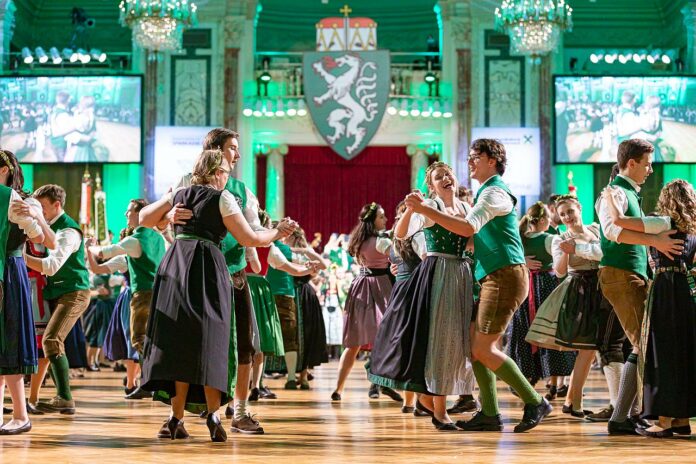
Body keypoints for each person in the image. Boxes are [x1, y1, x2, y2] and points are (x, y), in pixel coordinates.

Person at [140, 128, 292, 434]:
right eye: (232, 148)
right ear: (215, 153)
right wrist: (170, 218)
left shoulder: (241, 190)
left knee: (243, 345)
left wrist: (268, 239)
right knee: (193, 342)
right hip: (196, 271)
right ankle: (198, 415)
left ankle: (238, 411)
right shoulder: (193, 184)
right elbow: (149, 216)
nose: (236, 154)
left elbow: (250, 232)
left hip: (230, 273)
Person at [405, 139, 551, 433]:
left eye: (475, 157)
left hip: (504, 275)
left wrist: (426, 210)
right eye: (470, 157)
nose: (469, 162)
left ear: (493, 161)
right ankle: (490, 413)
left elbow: (469, 228)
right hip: (493, 275)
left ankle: (534, 401)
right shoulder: (485, 193)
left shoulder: (495, 193)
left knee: (483, 348)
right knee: (476, 347)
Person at [370, 162, 475, 431]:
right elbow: (401, 233)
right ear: (431, 186)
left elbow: (472, 240)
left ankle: (431, 400)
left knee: (457, 340)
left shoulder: (465, 208)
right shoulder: (430, 207)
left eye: (448, 174)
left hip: (462, 271)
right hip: (439, 272)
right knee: (441, 339)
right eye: (439, 177)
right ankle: (440, 413)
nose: (446, 178)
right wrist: (410, 209)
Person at [595, 138, 683, 435]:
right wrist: (655, 241)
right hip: (619, 275)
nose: (649, 170)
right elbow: (612, 231)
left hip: (631, 274)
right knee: (645, 343)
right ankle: (639, 416)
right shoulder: (613, 192)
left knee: (644, 342)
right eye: (646, 164)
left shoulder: (628, 193)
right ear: (630, 163)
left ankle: (625, 415)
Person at [604, 179, 696, 438]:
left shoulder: (663, 222)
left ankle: (664, 421)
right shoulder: (693, 229)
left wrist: (611, 198)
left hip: (666, 290)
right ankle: (681, 419)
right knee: (682, 352)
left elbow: (620, 221)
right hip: (686, 293)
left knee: (662, 353)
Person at [22, 184, 91, 415]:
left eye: (42, 207)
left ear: (56, 205)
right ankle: (53, 397)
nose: (39, 211)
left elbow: (51, 267)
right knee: (48, 342)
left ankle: (64, 397)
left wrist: (19, 257)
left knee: (51, 340)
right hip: (57, 293)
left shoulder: (68, 231)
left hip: (74, 293)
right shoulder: (49, 227)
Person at [89, 199, 165, 400]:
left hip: (142, 295)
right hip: (160, 293)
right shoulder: (158, 239)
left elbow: (105, 253)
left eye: (129, 211)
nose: (126, 214)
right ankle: (148, 383)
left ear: (142, 214)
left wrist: (91, 247)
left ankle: (153, 382)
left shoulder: (135, 239)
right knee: (152, 340)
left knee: (139, 339)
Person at [0, 149, 53, 434]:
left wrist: (35, 216)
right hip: (6, 269)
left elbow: (43, 240)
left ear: (4, 171)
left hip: (10, 270)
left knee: (10, 338)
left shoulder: (19, 200)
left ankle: (21, 414)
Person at [331, 203, 400, 403]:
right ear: (373, 221)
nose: (385, 219)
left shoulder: (358, 240)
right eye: (382, 217)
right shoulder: (381, 242)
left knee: (353, 344)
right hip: (381, 287)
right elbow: (398, 256)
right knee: (384, 337)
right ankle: (378, 382)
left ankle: (338, 388)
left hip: (360, 286)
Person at [506, 202, 575, 398]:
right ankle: (554, 383)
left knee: (523, 330)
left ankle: (526, 378)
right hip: (546, 285)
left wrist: (523, 263)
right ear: (544, 220)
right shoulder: (550, 238)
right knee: (549, 329)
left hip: (524, 286)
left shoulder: (520, 238)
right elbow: (560, 265)